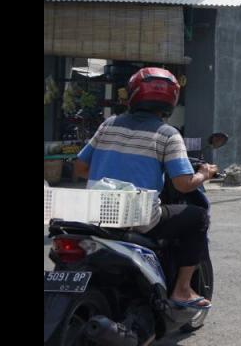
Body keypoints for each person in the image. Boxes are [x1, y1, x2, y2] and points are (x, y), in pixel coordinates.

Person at [75, 67, 218, 310]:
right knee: (198, 218)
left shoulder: (109, 125)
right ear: (172, 100)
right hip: (138, 218)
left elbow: (80, 168)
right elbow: (182, 184)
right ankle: (182, 290)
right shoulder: (168, 134)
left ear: (132, 94)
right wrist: (204, 174)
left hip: (95, 214)